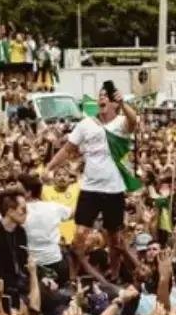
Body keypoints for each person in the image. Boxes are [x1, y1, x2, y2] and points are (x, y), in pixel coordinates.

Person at [46, 85, 139, 281]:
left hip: (114, 189)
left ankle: (114, 275)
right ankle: (71, 277)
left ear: (114, 103)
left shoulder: (121, 123)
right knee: (79, 235)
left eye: (106, 96)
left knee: (114, 238)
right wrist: (50, 167)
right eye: (100, 96)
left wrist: (123, 103)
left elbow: (134, 121)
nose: (102, 99)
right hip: (90, 188)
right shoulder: (86, 124)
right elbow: (68, 149)